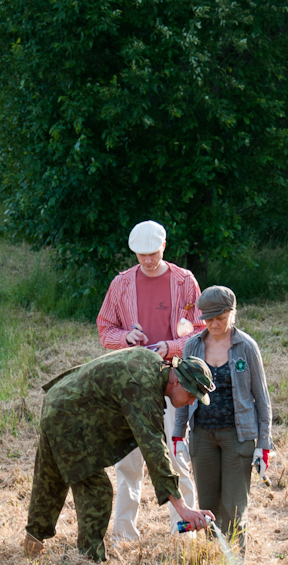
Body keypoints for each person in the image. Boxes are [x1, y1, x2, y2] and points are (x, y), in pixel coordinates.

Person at [23, 348, 217, 562]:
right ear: (177, 381)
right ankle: (90, 562)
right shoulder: (143, 389)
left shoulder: (152, 363)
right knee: (97, 491)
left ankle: (33, 541)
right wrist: (182, 508)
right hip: (68, 417)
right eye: (191, 395)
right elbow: (154, 449)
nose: (191, 403)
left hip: (58, 400)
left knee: (50, 476)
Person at [96, 220, 205, 543]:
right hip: (131, 383)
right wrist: (126, 336)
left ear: (164, 247)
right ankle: (124, 533)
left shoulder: (185, 282)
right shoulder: (121, 285)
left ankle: (183, 532)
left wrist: (170, 347)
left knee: (175, 456)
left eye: (153, 254)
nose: (147, 260)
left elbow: (200, 331)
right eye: (141, 255)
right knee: (128, 462)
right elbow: (105, 330)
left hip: (173, 381)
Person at [173, 285, 273, 565]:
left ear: (232, 313)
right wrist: (177, 436)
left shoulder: (246, 347)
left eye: (220, 318)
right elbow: (184, 390)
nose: (214, 324)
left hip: (237, 436)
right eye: (209, 319)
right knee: (208, 504)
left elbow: (262, 399)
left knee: (234, 505)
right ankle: (212, 560)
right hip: (202, 435)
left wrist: (264, 445)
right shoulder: (193, 345)